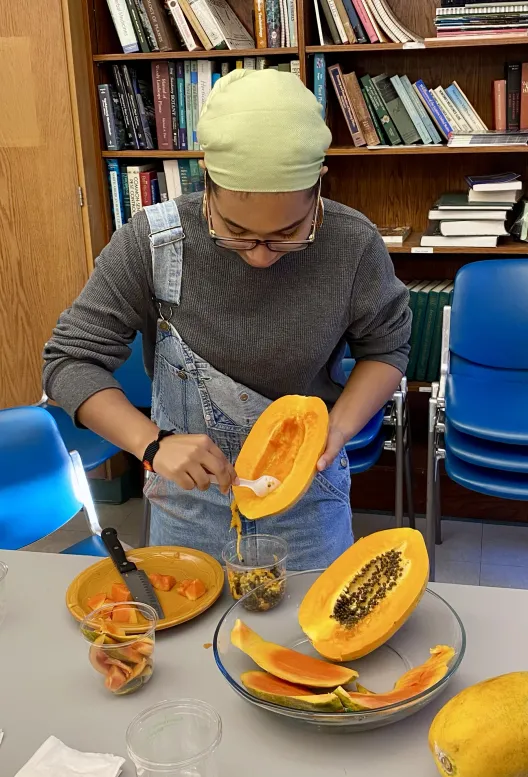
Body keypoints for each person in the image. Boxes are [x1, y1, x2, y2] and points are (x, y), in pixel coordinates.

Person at [43, 69, 411, 569]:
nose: (260, 256)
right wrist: (150, 443)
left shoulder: (352, 244)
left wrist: (339, 429)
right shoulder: (153, 243)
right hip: (187, 501)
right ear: (206, 182)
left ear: (319, 187)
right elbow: (68, 361)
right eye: (235, 232)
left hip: (308, 496)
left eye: (287, 235)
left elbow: (386, 348)